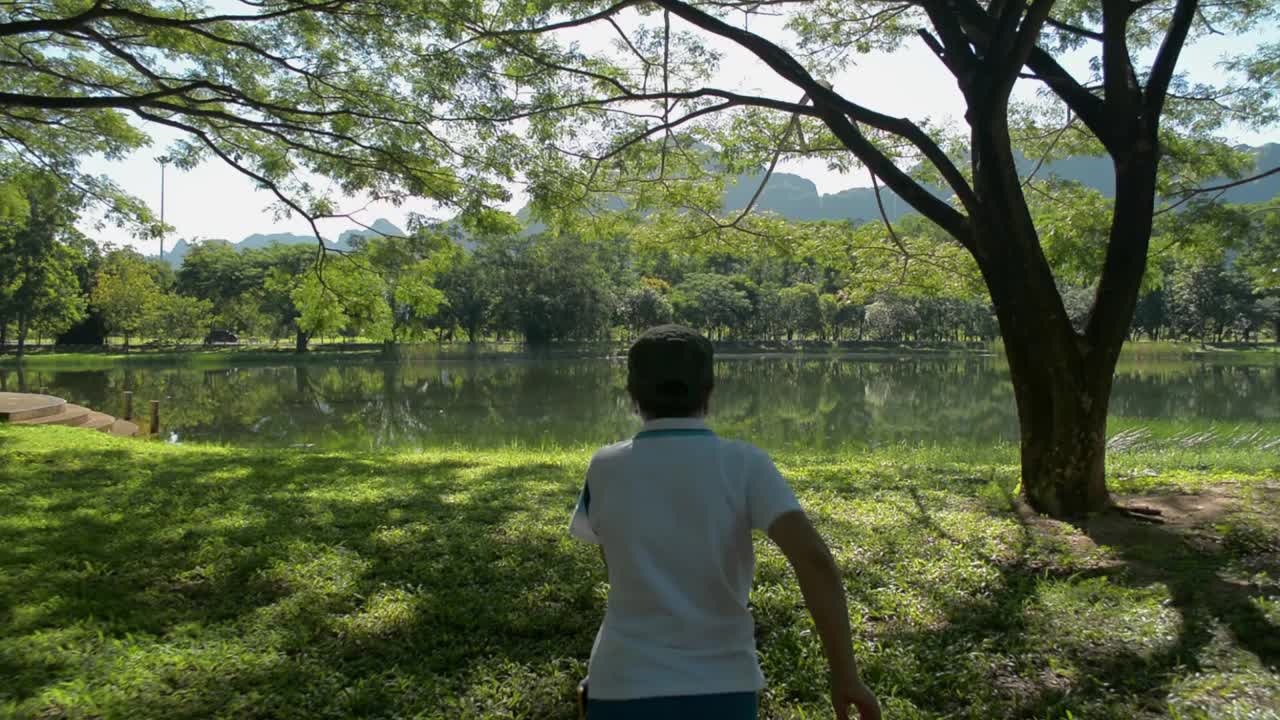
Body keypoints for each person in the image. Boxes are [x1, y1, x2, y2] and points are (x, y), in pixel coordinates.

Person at [569, 324, 881, 720]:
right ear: (710, 392)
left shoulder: (604, 467)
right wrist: (845, 675)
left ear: (632, 395)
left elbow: (614, 559)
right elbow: (814, 559)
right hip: (724, 686)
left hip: (622, 682)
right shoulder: (745, 464)